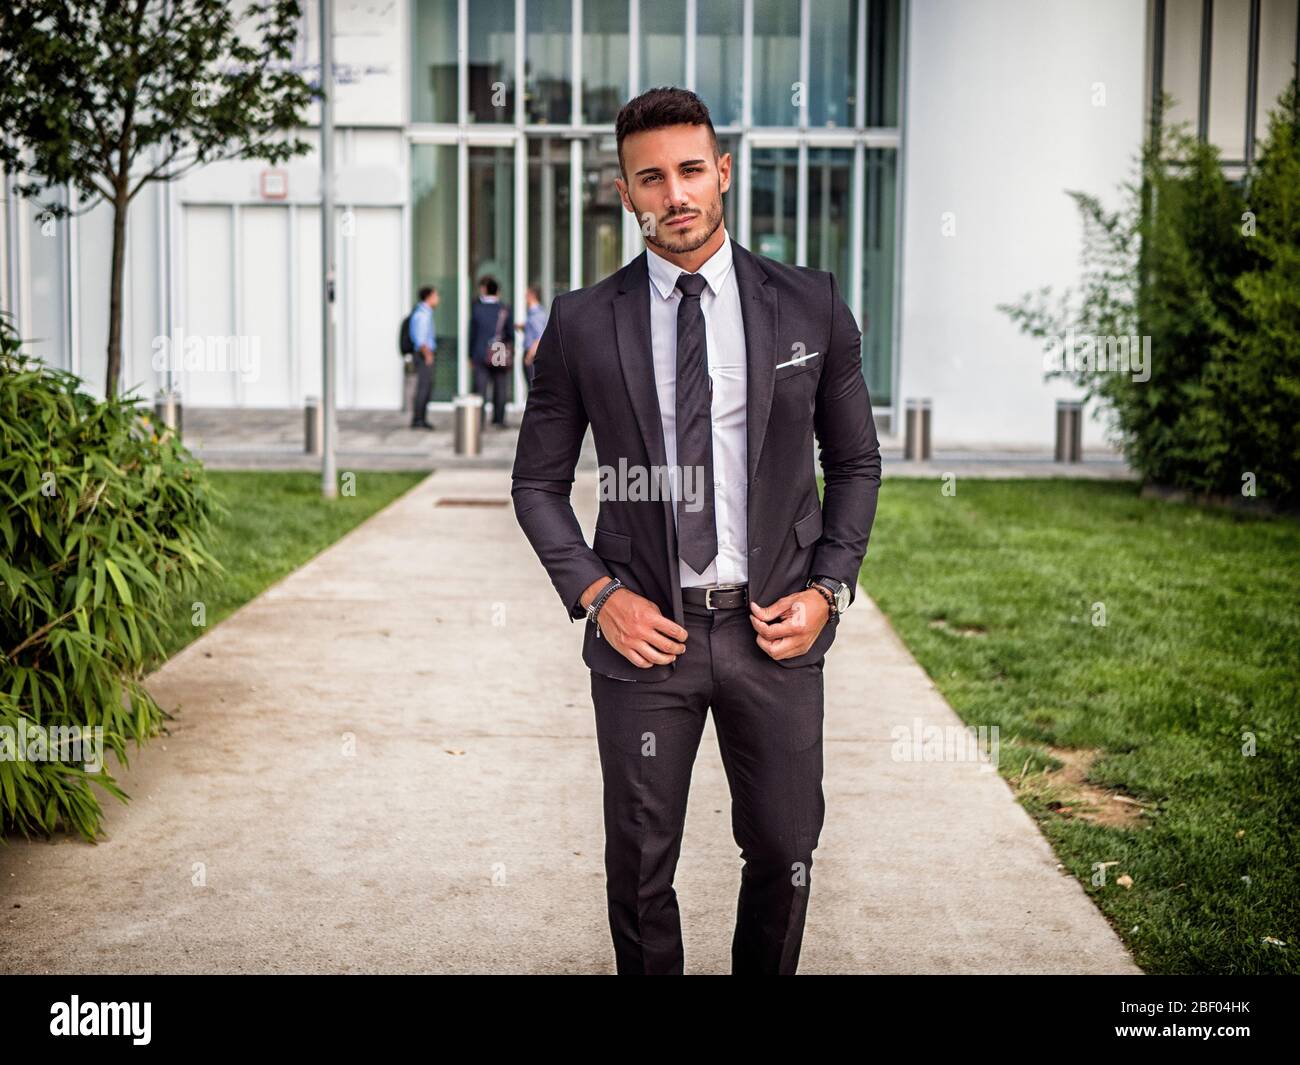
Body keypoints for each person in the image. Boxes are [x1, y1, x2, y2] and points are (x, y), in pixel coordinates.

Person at [510, 87, 881, 975]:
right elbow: (536, 484)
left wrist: (827, 591)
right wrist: (601, 596)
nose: (674, 194)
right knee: (639, 867)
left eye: (689, 171)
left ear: (721, 173)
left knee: (787, 853)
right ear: (626, 191)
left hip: (774, 635)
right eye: (651, 178)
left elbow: (857, 466)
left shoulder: (811, 305)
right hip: (648, 641)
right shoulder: (582, 322)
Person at [467, 275, 511, 430]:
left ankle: (478, 421)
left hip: (480, 353)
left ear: (485, 290)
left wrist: (470, 355)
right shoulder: (504, 309)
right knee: (500, 386)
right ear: (497, 291)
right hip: (498, 351)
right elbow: (510, 333)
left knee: (480, 388)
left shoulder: (476, 309)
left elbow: (472, 333)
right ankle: (498, 420)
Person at [408, 285, 438, 429]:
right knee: (423, 387)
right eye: (436, 295)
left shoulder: (424, 313)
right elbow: (421, 340)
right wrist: (428, 355)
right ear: (429, 297)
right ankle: (418, 419)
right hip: (423, 355)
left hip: (424, 354)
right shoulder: (422, 315)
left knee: (425, 387)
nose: (438, 299)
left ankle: (421, 418)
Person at [519, 284, 548, 391]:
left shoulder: (537, 313)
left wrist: (529, 355)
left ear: (532, 296)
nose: (525, 297)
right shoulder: (531, 313)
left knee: (533, 387)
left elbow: (539, 336)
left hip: (532, 354)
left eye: (527, 294)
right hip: (530, 352)